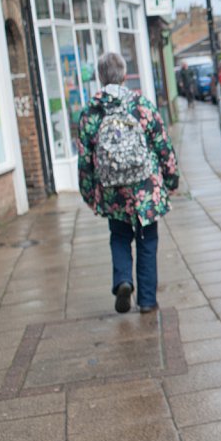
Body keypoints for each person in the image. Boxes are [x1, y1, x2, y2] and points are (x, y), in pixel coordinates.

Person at [77, 52, 179, 314]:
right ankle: (146, 301)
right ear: (124, 76)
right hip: (144, 187)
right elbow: (162, 145)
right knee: (147, 240)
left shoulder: (91, 111)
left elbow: (85, 157)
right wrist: (171, 178)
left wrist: (89, 194)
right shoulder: (141, 104)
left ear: (101, 78)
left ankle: (123, 280)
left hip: (113, 190)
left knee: (120, 236)